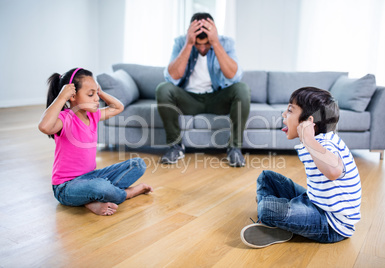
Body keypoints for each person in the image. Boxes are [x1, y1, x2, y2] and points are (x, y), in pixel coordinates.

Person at [240, 87, 361, 248]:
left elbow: (334, 171)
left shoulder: (325, 143)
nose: (284, 114)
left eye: (290, 110)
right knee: (266, 178)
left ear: (308, 122)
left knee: (267, 208)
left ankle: (272, 219)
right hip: (315, 201)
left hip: (332, 224)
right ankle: (279, 221)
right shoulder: (319, 141)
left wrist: (308, 139)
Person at [38, 68, 153, 216]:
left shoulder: (93, 116)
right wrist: (61, 98)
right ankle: (127, 194)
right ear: (72, 96)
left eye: (96, 93)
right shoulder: (65, 118)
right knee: (101, 187)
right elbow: (44, 127)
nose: (96, 98)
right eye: (91, 94)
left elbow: (118, 107)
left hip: (91, 177)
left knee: (138, 164)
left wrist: (101, 92)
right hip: (66, 187)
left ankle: (91, 200)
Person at [156, 12, 250, 167]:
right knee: (163, 89)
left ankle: (234, 148)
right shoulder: (181, 42)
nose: (202, 48)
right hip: (188, 99)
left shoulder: (226, 43)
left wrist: (216, 43)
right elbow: (172, 77)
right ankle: (176, 146)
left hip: (217, 99)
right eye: (198, 44)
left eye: (206, 44)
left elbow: (234, 77)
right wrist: (188, 44)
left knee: (242, 89)